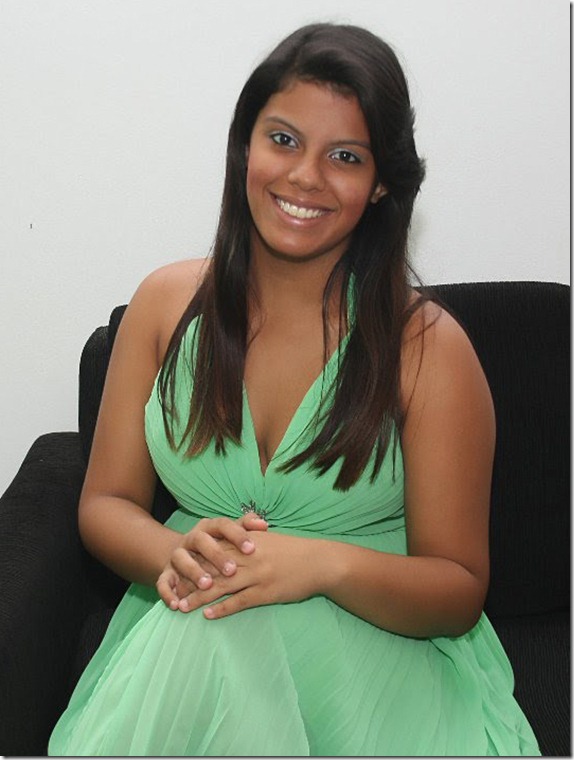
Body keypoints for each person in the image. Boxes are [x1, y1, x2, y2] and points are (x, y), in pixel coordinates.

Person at [48, 22, 539, 756]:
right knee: (216, 626)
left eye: (345, 156)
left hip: (370, 662)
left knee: (220, 626)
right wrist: (173, 555)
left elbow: (458, 588)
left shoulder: (430, 351)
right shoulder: (162, 306)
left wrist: (320, 566)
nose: (306, 176)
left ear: (381, 183)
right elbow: (105, 504)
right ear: (245, 146)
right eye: (283, 139)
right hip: (189, 642)